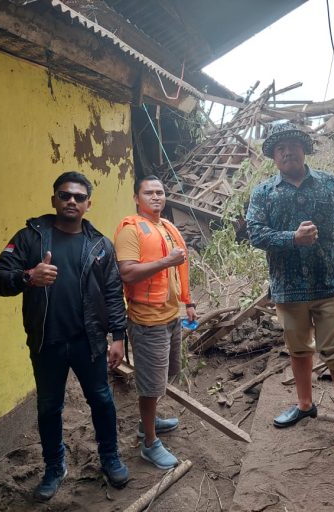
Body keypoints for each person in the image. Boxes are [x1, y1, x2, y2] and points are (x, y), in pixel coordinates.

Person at [0, 171, 129, 501]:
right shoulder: (29, 238)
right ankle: (55, 467)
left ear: (88, 204)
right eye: (65, 195)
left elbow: (112, 292)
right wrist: (28, 276)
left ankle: (110, 457)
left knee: (101, 399)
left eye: (79, 197)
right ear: (54, 199)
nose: (71, 201)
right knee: (49, 407)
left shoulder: (99, 244)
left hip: (88, 341)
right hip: (46, 342)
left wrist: (118, 337)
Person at [246, 122, 334, 459]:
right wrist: (291, 238)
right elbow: (255, 234)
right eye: (280, 147)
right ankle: (304, 404)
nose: (287, 151)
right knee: (298, 350)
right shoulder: (264, 193)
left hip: (331, 287)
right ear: (273, 156)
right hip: (288, 290)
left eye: (294, 145)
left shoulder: (330, 185)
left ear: (305, 150)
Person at [114, 175, 196, 470]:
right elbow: (128, 273)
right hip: (148, 321)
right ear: (137, 198)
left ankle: (150, 422)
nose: (156, 197)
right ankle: (149, 443)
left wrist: (189, 303)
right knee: (149, 385)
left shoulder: (168, 227)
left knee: (164, 376)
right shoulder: (130, 229)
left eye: (160, 192)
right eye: (148, 193)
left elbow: (179, 271)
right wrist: (165, 261)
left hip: (171, 317)